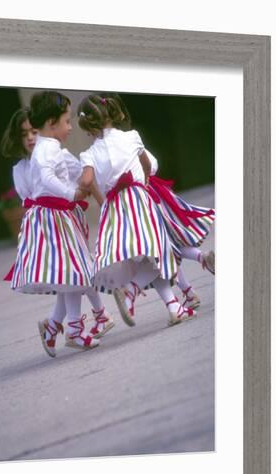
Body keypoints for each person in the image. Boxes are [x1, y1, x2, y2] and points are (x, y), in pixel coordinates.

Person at [0, 107, 114, 357]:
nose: (31, 138)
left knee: (71, 275)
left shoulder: (57, 154)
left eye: (33, 131)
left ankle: (54, 326)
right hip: (46, 224)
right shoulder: (20, 168)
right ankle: (75, 327)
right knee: (71, 275)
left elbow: (80, 177)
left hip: (66, 218)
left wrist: (85, 193)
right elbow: (30, 197)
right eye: (24, 134)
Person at [77, 94, 196, 327]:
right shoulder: (132, 137)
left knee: (147, 260)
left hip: (115, 210)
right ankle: (131, 291)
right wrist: (144, 181)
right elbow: (148, 165)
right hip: (139, 200)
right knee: (158, 253)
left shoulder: (88, 154)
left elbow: (88, 180)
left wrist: (82, 183)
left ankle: (174, 307)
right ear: (111, 113)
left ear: (87, 125)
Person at [98, 93, 215, 315]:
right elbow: (153, 164)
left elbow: (147, 166)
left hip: (143, 200)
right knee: (163, 247)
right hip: (151, 195)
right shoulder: (129, 139)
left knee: (161, 249)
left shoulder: (118, 144)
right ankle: (190, 287)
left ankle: (187, 283)